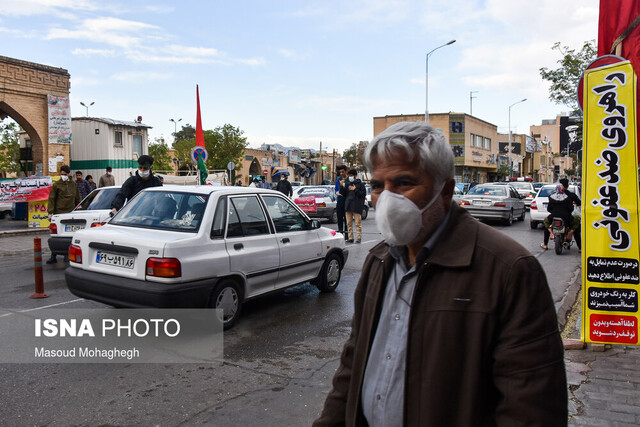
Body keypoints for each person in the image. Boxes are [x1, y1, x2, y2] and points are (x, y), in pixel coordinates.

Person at [314, 121, 567, 426]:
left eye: (404, 183)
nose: (387, 200)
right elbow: (353, 365)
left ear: (445, 190)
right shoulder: (378, 260)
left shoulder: (509, 271)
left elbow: (531, 407)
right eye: (378, 186)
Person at [46, 165, 81, 264]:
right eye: (61, 174)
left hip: (70, 213)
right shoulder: (57, 185)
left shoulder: (73, 184)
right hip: (59, 213)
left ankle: (67, 255)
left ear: (68, 174)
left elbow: (77, 198)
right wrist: (50, 213)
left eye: (64, 174)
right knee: (56, 235)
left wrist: (79, 208)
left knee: (69, 236)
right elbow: (52, 199)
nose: (63, 176)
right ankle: (53, 256)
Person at [541, 183, 581, 251]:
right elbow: (571, 209)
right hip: (566, 218)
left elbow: (549, 209)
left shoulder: (551, 197)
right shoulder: (567, 197)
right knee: (577, 221)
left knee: (546, 222)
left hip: (553, 217)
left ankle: (547, 240)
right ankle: (578, 245)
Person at [341, 169, 366, 243]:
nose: (350, 177)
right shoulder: (348, 183)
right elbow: (343, 193)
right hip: (348, 206)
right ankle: (350, 238)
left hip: (357, 206)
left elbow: (362, 194)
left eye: (351, 176)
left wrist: (355, 189)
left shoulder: (361, 184)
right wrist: (341, 186)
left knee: (358, 223)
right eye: (349, 176)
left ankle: (359, 238)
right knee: (349, 223)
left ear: (355, 176)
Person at [335, 165, 348, 235]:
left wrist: (342, 185)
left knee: (346, 219)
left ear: (346, 171)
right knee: (339, 218)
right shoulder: (338, 179)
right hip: (340, 200)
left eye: (343, 172)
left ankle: (347, 235)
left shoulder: (348, 179)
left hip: (347, 200)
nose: (341, 173)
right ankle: (340, 233)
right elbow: (336, 189)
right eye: (340, 172)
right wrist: (337, 192)